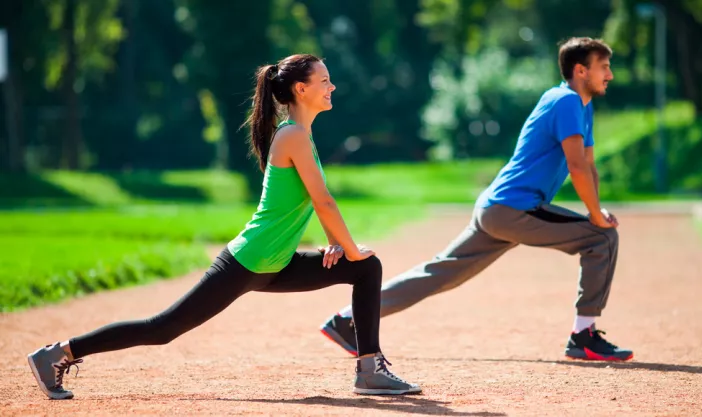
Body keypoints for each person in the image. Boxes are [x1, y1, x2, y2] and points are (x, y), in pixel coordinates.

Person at [27, 54, 421, 400]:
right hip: (248, 261)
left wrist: (340, 245)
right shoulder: (293, 136)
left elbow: (316, 202)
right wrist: (348, 247)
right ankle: (59, 353)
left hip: (275, 264)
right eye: (324, 81)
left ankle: (369, 370)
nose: (332, 86)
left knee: (366, 269)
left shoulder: (303, 134)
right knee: (164, 328)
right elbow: (323, 202)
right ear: (301, 89)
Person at [320, 37, 633, 362]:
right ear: (581, 70)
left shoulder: (581, 106)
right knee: (602, 238)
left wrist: (596, 209)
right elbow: (577, 166)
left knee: (438, 273)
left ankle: (346, 320)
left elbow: (589, 164)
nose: (609, 75)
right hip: (515, 208)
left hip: (498, 207)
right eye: (604, 67)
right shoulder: (566, 101)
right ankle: (583, 335)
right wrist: (596, 217)